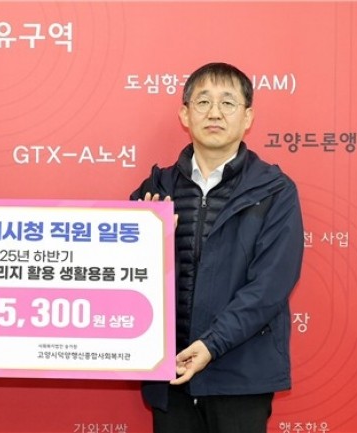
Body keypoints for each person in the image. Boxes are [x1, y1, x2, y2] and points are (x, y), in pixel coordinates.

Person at [130, 62, 304, 433]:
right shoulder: (154, 191)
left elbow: (269, 287)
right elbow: (126, 278)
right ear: (185, 114)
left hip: (241, 375)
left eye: (227, 103)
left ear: (247, 117)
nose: (214, 113)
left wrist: (212, 344)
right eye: (203, 101)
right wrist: (149, 245)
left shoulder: (275, 191)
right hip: (171, 373)